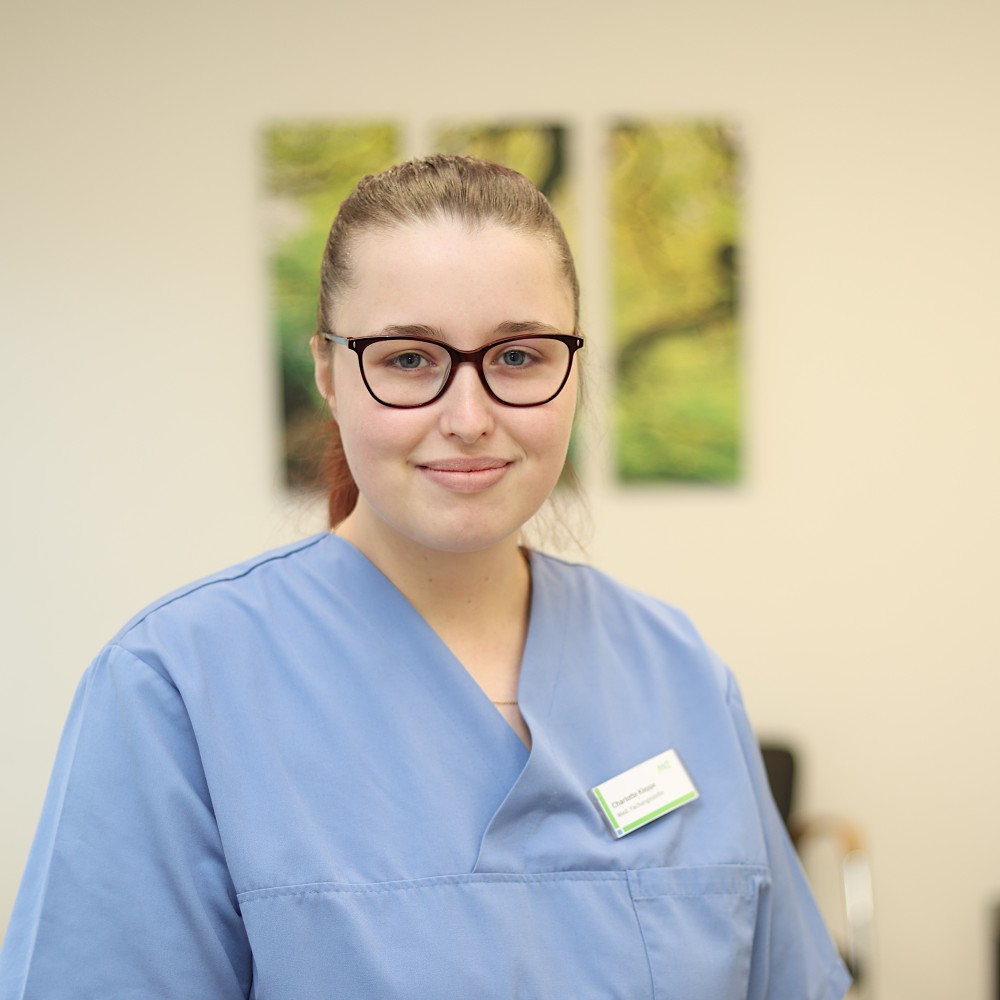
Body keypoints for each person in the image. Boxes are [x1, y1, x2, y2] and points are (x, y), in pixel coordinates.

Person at [0, 154, 850, 999]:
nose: (469, 418)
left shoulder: (680, 674)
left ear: (573, 370)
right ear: (329, 372)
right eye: (408, 359)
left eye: (518, 356)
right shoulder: (175, 688)